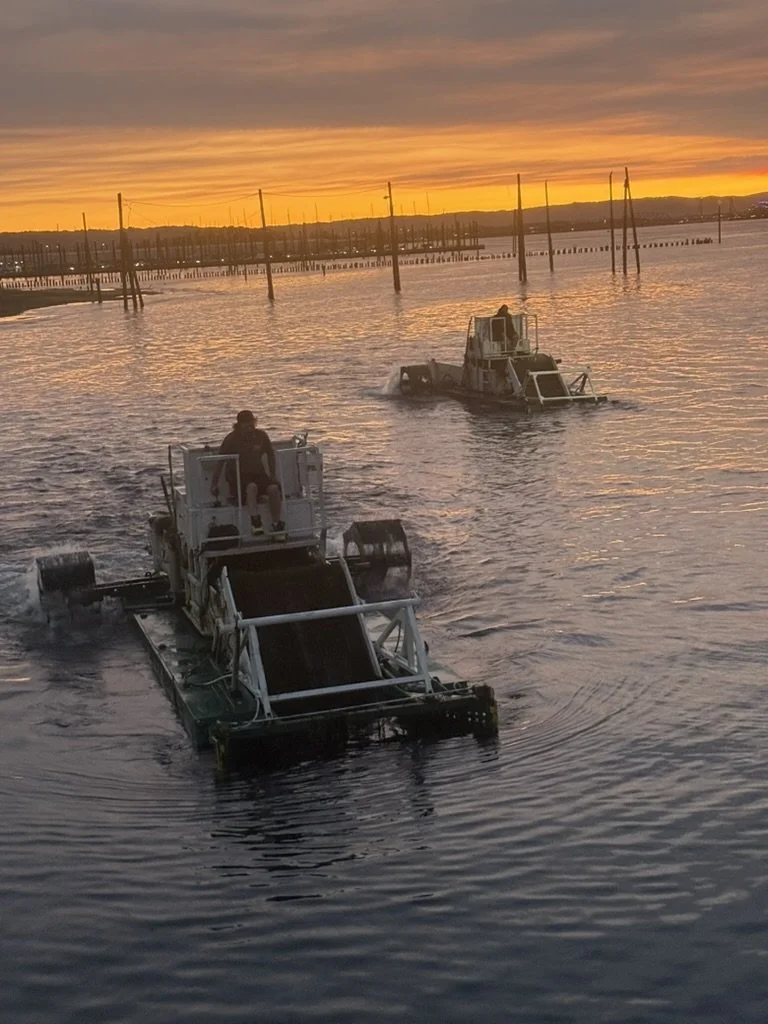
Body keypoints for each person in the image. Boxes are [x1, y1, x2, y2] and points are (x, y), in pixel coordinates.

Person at [211, 410, 285, 536]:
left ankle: (276, 524)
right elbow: (220, 461)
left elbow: (271, 454)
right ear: (239, 425)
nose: (249, 426)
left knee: (273, 489)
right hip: (238, 478)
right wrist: (214, 483)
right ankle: (255, 522)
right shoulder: (231, 439)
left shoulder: (261, 436)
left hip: (259, 474)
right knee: (251, 487)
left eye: (251, 423)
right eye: (245, 424)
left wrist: (273, 475)